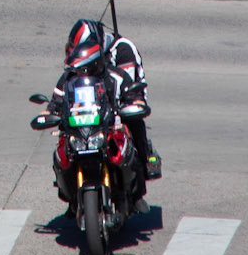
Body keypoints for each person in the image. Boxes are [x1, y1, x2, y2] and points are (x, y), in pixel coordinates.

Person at [40, 17, 161, 182]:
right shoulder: (79, 67)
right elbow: (63, 92)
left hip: (123, 96)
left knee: (130, 119)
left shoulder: (123, 51)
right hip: (90, 103)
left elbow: (128, 87)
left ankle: (144, 158)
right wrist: (52, 110)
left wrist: (130, 103)